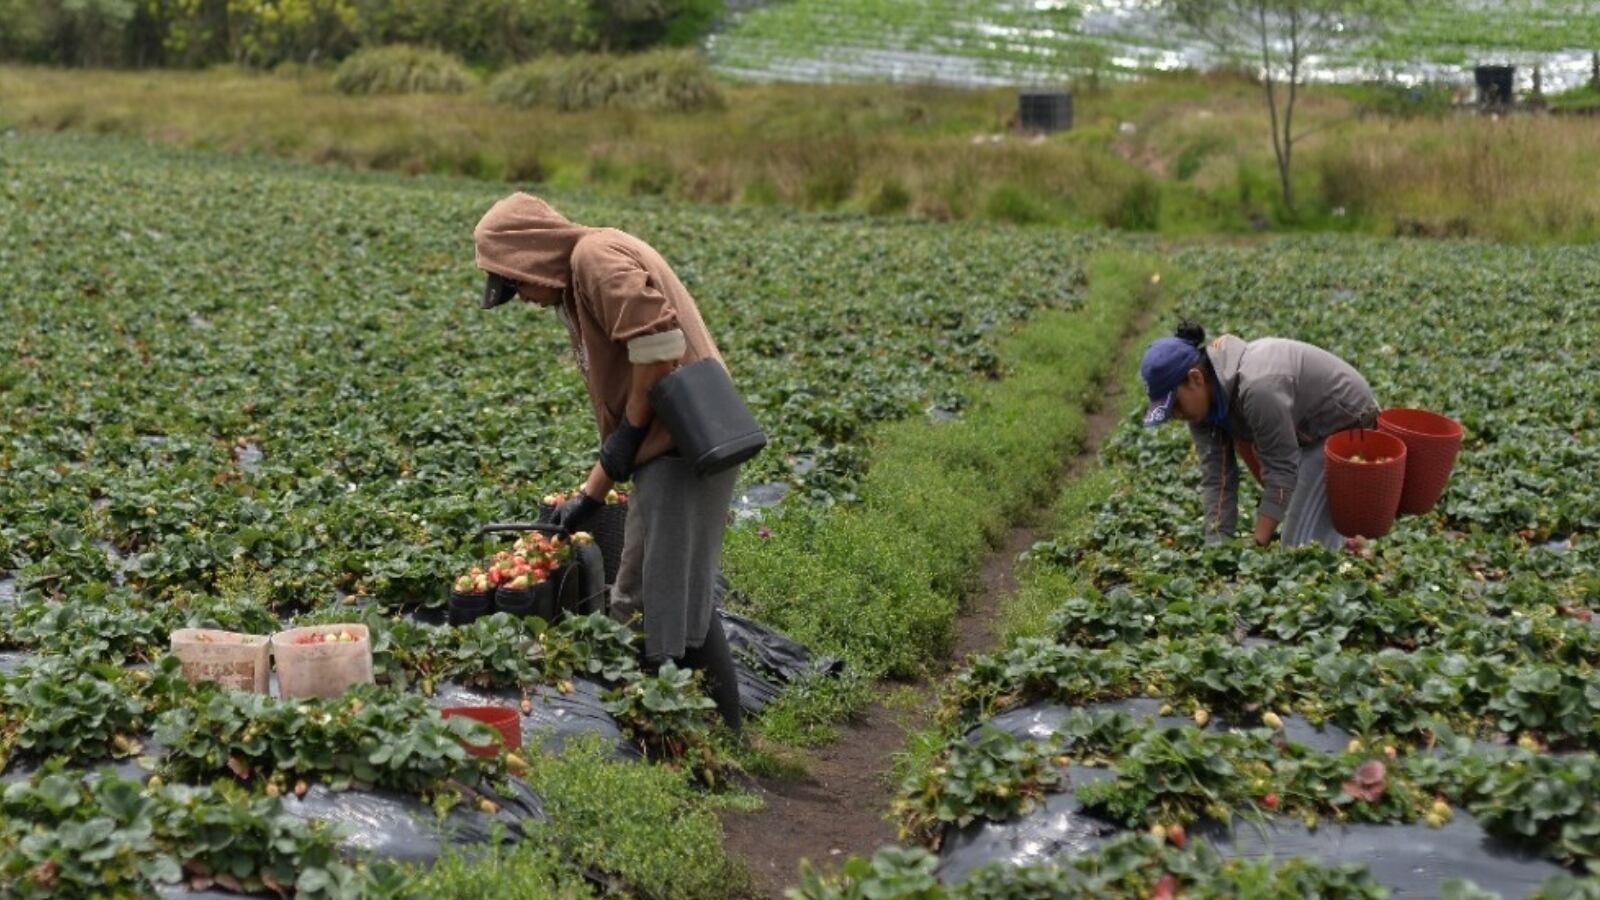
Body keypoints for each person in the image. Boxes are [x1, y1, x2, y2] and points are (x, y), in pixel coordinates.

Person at [472, 193, 742, 733]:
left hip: (680, 448)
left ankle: (668, 733)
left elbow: (660, 343)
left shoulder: (593, 258)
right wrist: (588, 498)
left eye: (517, 283)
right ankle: (723, 735)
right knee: (675, 586)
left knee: (641, 601)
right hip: (675, 447)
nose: (522, 298)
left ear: (532, 255)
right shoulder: (584, 267)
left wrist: (633, 432)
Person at [1140, 321, 1379, 550]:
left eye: (1175, 405)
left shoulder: (1258, 388)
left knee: (1298, 550)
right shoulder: (1202, 409)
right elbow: (1218, 479)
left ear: (1195, 378)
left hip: (1348, 427)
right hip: (1302, 436)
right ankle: (1334, 534)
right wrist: (1216, 549)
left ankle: (1337, 535)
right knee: (1286, 505)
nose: (1175, 415)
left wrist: (1258, 544)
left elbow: (1282, 471)